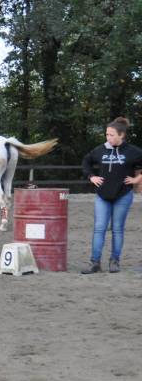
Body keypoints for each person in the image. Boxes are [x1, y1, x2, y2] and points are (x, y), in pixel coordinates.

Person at [80, 116, 142, 274]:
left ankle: (115, 261)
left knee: (117, 229)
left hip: (123, 195)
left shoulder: (133, 151)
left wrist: (136, 179)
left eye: (112, 135)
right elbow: (86, 162)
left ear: (121, 135)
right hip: (102, 195)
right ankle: (95, 263)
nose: (108, 137)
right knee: (99, 228)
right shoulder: (100, 150)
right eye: (107, 134)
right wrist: (91, 176)